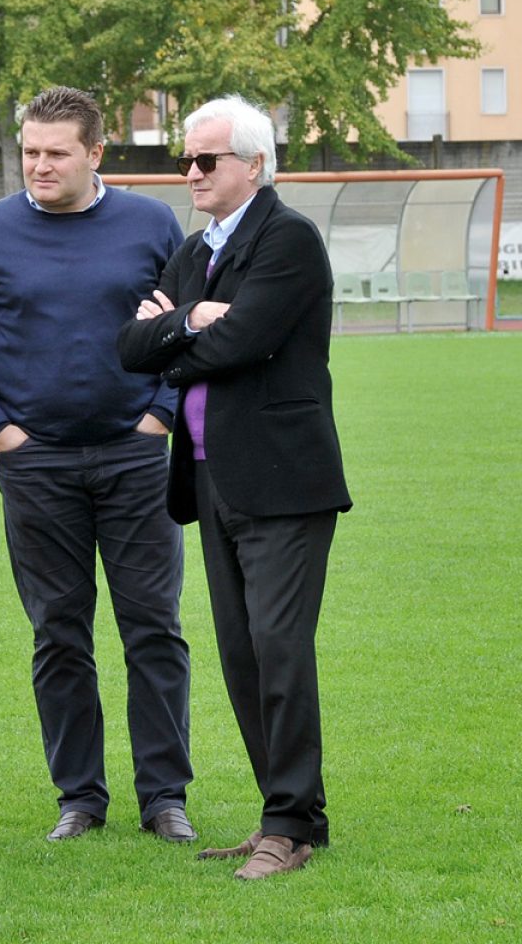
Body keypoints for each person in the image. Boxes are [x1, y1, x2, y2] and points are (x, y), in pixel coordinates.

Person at [0, 86, 196, 843]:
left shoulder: (151, 224)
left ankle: (164, 797)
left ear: (95, 154)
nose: (39, 165)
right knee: (59, 631)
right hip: (35, 464)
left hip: (136, 457)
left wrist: (160, 418)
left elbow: (183, 331)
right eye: (29, 151)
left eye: (55, 152)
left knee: (153, 627)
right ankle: (79, 797)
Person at [116, 96, 352, 880]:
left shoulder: (288, 239)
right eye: (186, 160)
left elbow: (243, 341)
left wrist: (178, 331)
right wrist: (193, 322)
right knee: (243, 656)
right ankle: (288, 815)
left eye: (206, 160)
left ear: (253, 165)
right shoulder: (193, 252)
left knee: (281, 650)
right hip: (212, 481)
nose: (191, 172)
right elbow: (131, 346)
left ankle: (289, 826)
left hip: (286, 481)